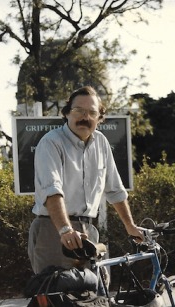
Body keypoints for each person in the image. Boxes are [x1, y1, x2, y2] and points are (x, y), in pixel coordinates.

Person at [28, 85, 143, 274]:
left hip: (89, 230)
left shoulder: (102, 143)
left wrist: (130, 226)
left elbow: (114, 190)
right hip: (52, 230)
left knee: (93, 295)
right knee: (57, 294)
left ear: (99, 118)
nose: (85, 117)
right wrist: (65, 230)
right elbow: (52, 191)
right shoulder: (51, 142)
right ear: (66, 113)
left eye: (91, 112)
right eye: (78, 111)